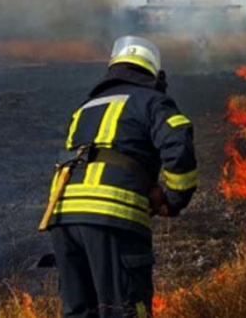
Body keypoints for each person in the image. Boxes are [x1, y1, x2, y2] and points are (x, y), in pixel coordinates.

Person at [43, 36, 197, 317]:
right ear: (153, 72)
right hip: (112, 216)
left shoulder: (85, 107)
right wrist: (172, 199)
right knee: (122, 309)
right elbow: (178, 142)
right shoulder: (153, 101)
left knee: (79, 311)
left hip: (63, 217)